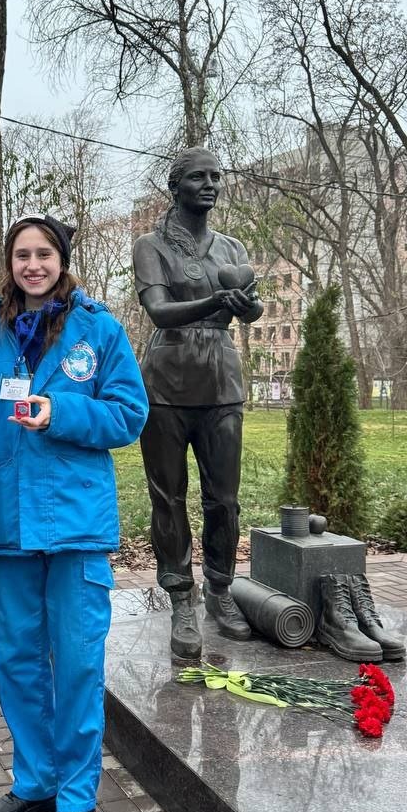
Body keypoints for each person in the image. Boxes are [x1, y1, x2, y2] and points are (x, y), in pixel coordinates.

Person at [0, 214, 148, 812]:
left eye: (44, 254)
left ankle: (77, 797)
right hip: (10, 524)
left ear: (62, 260)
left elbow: (129, 414)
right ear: (10, 263)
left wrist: (62, 412)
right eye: (22, 254)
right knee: (17, 660)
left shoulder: (98, 330)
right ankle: (36, 782)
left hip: (77, 524)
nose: (33, 265)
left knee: (78, 663)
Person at [132, 147, 263, 659]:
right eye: (198, 177)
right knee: (168, 497)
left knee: (224, 499)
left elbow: (250, 311)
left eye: (216, 177)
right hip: (166, 384)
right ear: (175, 186)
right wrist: (214, 302)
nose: (210, 185)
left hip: (221, 380)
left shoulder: (232, 247)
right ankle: (181, 597)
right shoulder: (151, 245)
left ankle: (220, 589)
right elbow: (159, 310)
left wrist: (247, 306)